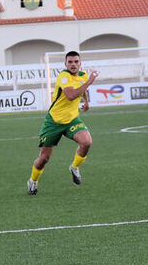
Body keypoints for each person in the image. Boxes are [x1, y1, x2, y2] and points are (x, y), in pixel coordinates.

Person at [27, 51, 98, 196]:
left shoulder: (83, 75)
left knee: (87, 142)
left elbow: (82, 85)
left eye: (76, 61)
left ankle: (74, 167)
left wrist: (86, 101)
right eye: (70, 62)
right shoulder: (63, 77)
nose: (73, 64)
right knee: (44, 159)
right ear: (65, 64)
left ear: (80, 63)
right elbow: (71, 95)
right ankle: (33, 181)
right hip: (54, 122)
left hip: (71, 119)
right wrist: (90, 81)